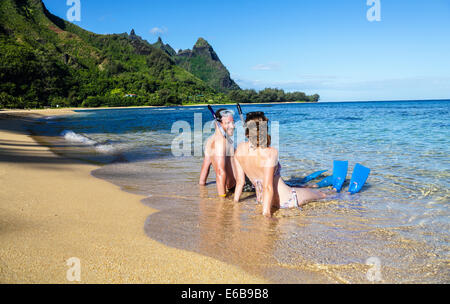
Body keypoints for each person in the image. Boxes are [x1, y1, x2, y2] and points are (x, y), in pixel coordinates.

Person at [233, 111, 327, 217]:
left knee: (305, 188)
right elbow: (268, 186)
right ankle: (342, 195)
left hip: (262, 201)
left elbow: (240, 182)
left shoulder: (240, 149)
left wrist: (235, 204)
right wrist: (266, 214)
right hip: (286, 200)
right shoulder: (270, 152)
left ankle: (311, 186)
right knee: (322, 194)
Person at [199, 109, 236, 197]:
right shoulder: (221, 143)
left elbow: (205, 168)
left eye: (233, 122)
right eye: (228, 123)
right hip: (237, 186)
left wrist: (202, 188)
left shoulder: (210, 140)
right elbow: (220, 172)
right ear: (218, 123)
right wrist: (222, 199)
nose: (233, 126)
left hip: (235, 185)